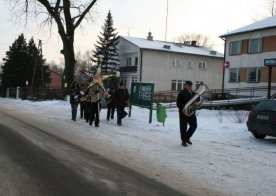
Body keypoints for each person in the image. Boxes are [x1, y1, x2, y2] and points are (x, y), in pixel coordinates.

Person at [176, 80, 197, 147]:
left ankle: (187, 138)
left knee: (194, 126)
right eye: (188, 85)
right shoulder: (182, 93)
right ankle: (183, 141)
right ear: (185, 85)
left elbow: (196, 102)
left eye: (191, 85)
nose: (190, 87)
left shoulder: (193, 94)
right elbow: (178, 103)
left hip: (192, 113)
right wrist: (183, 108)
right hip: (184, 113)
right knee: (183, 128)